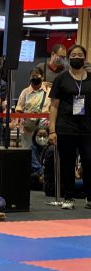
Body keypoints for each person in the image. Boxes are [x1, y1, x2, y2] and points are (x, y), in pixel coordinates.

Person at [49, 44, 91, 210]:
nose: (77, 57)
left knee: (89, 161)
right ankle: (69, 197)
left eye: (80, 54)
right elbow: (54, 106)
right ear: (68, 58)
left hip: (87, 128)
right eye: (73, 55)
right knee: (68, 163)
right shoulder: (61, 78)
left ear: (85, 58)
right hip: (66, 127)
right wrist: (52, 130)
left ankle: (89, 196)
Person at [14, 67, 51, 148]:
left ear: (42, 77)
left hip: (44, 129)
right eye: (32, 76)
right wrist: (17, 122)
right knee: (28, 151)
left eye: (37, 75)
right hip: (28, 129)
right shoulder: (25, 92)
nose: (35, 78)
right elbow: (19, 109)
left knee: (43, 151)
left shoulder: (49, 91)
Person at [29, 126, 49, 191]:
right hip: (37, 175)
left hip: (47, 175)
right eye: (40, 136)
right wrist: (43, 174)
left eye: (44, 136)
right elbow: (35, 166)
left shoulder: (50, 148)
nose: (42, 138)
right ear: (35, 136)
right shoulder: (32, 148)